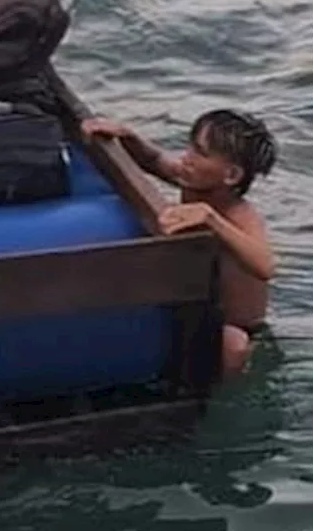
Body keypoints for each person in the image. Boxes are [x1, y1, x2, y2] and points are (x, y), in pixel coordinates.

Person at [81, 109, 277, 376]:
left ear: (230, 175)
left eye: (200, 152)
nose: (186, 157)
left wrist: (212, 220)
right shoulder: (194, 183)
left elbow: (265, 266)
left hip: (239, 326)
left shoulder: (240, 215)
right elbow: (155, 160)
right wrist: (128, 137)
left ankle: (207, 404)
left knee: (233, 345)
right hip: (201, 304)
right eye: (190, 146)